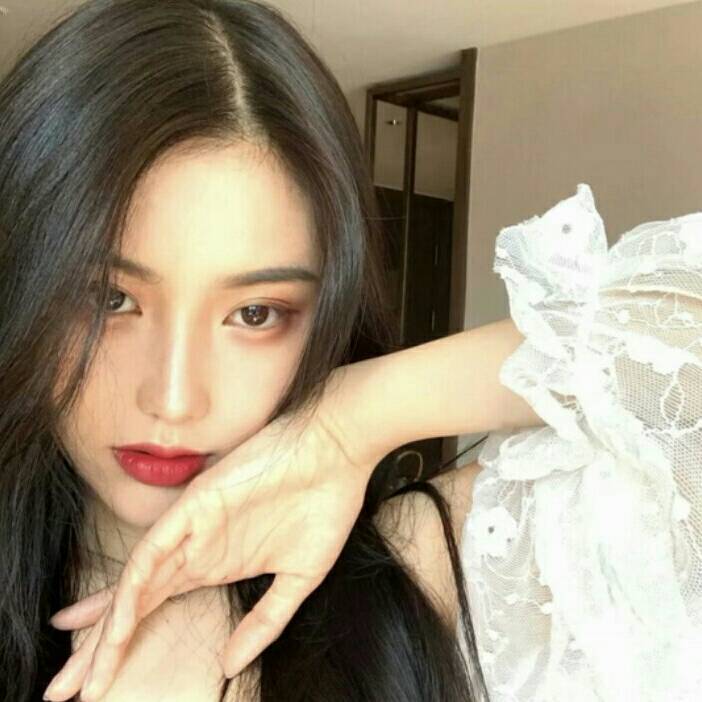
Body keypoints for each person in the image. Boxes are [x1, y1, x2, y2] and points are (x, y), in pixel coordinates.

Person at [0, 1, 538, 701]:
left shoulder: (428, 568)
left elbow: (669, 349)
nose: (173, 398)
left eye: (254, 314)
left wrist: (353, 420)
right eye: (109, 299)